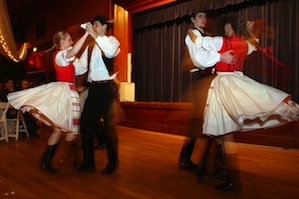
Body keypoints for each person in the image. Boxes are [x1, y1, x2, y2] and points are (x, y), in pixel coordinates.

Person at [190, 13, 299, 190]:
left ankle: (232, 179)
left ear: (227, 25)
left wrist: (192, 34)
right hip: (237, 82)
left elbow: (201, 46)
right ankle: (224, 172)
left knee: (224, 133)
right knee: (220, 131)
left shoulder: (219, 41)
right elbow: (253, 45)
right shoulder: (243, 43)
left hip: (224, 85)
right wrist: (253, 33)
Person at [7, 28, 91, 172]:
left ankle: (47, 162)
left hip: (66, 92)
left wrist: (87, 49)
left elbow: (80, 68)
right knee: (72, 129)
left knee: (58, 130)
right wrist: (87, 34)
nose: (72, 42)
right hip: (66, 93)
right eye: (70, 39)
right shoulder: (60, 55)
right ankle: (73, 160)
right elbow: (72, 52)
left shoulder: (65, 57)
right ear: (63, 42)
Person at [178, 10, 234, 172]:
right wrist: (218, 58)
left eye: (205, 16)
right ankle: (196, 162)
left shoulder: (205, 37)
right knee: (203, 122)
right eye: (200, 16)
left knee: (205, 122)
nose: (204, 19)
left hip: (209, 80)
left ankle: (201, 163)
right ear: (193, 20)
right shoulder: (193, 35)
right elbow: (199, 61)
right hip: (202, 81)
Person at [77, 15, 121, 174]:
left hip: (106, 89)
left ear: (103, 27)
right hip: (93, 90)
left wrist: (94, 35)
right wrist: (66, 58)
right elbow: (80, 68)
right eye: (93, 25)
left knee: (109, 128)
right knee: (86, 126)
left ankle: (112, 163)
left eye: (95, 25)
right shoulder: (89, 47)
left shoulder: (112, 41)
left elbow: (109, 53)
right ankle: (88, 162)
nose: (93, 27)